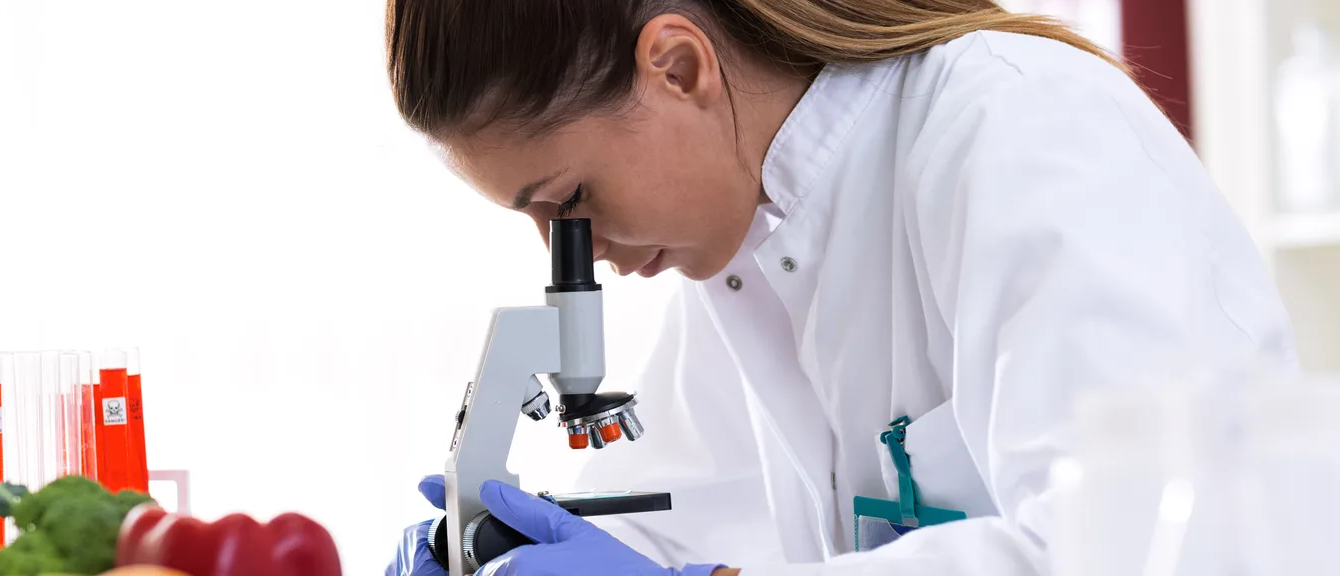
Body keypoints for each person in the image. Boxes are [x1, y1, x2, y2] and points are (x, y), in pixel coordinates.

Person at [382, 0, 1299, 574]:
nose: (567, 249)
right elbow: (679, 520)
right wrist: (506, 556)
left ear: (678, 66)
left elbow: (1126, 551)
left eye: (570, 202)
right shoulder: (743, 247)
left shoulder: (1024, 130)